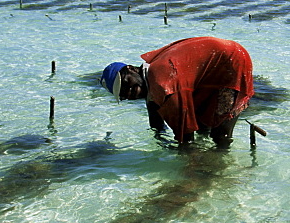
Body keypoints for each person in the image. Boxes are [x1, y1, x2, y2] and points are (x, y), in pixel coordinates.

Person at [100, 36, 254, 146]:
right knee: (201, 125)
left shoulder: (161, 82)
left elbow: (185, 134)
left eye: (125, 83)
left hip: (231, 61)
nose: (128, 92)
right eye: (122, 94)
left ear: (131, 69)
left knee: (220, 135)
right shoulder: (151, 75)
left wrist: (186, 158)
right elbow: (156, 120)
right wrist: (159, 140)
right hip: (216, 61)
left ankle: (220, 171)